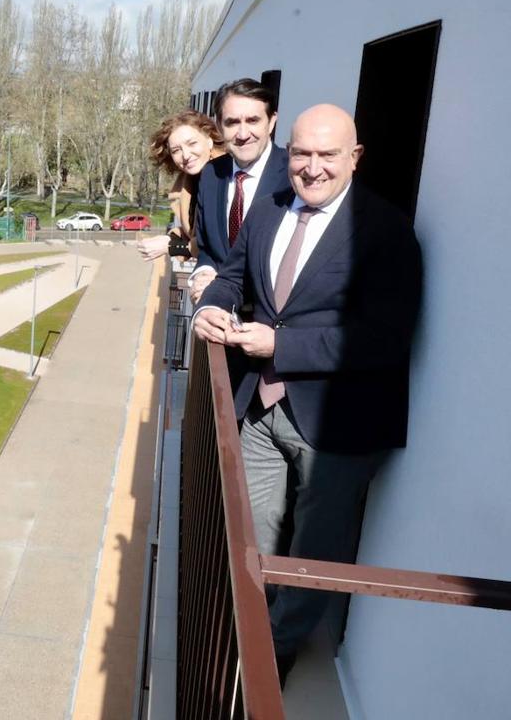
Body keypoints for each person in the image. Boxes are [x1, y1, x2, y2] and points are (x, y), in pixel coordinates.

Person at [192, 103, 423, 684]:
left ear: (355, 158)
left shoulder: (386, 231)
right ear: (286, 151)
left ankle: (276, 652)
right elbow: (233, 276)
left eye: (327, 155)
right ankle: (249, 623)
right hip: (259, 410)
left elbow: (384, 340)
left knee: (315, 549)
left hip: (337, 426)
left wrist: (281, 348)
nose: (311, 168)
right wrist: (211, 306)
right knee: (251, 526)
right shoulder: (268, 212)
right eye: (301, 153)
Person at [189, 78, 291, 303]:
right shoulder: (211, 174)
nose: (243, 134)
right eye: (232, 122)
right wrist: (203, 273)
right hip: (220, 320)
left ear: (271, 122)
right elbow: (208, 249)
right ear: (218, 125)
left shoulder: (294, 176)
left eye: (253, 120)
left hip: (271, 326)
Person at [137, 110, 225, 261]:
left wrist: (171, 247)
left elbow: (218, 243)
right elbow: (195, 232)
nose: (185, 155)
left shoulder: (225, 177)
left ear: (209, 140)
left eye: (192, 143)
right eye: (176, 150)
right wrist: (171, 238)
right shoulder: (191, 181)